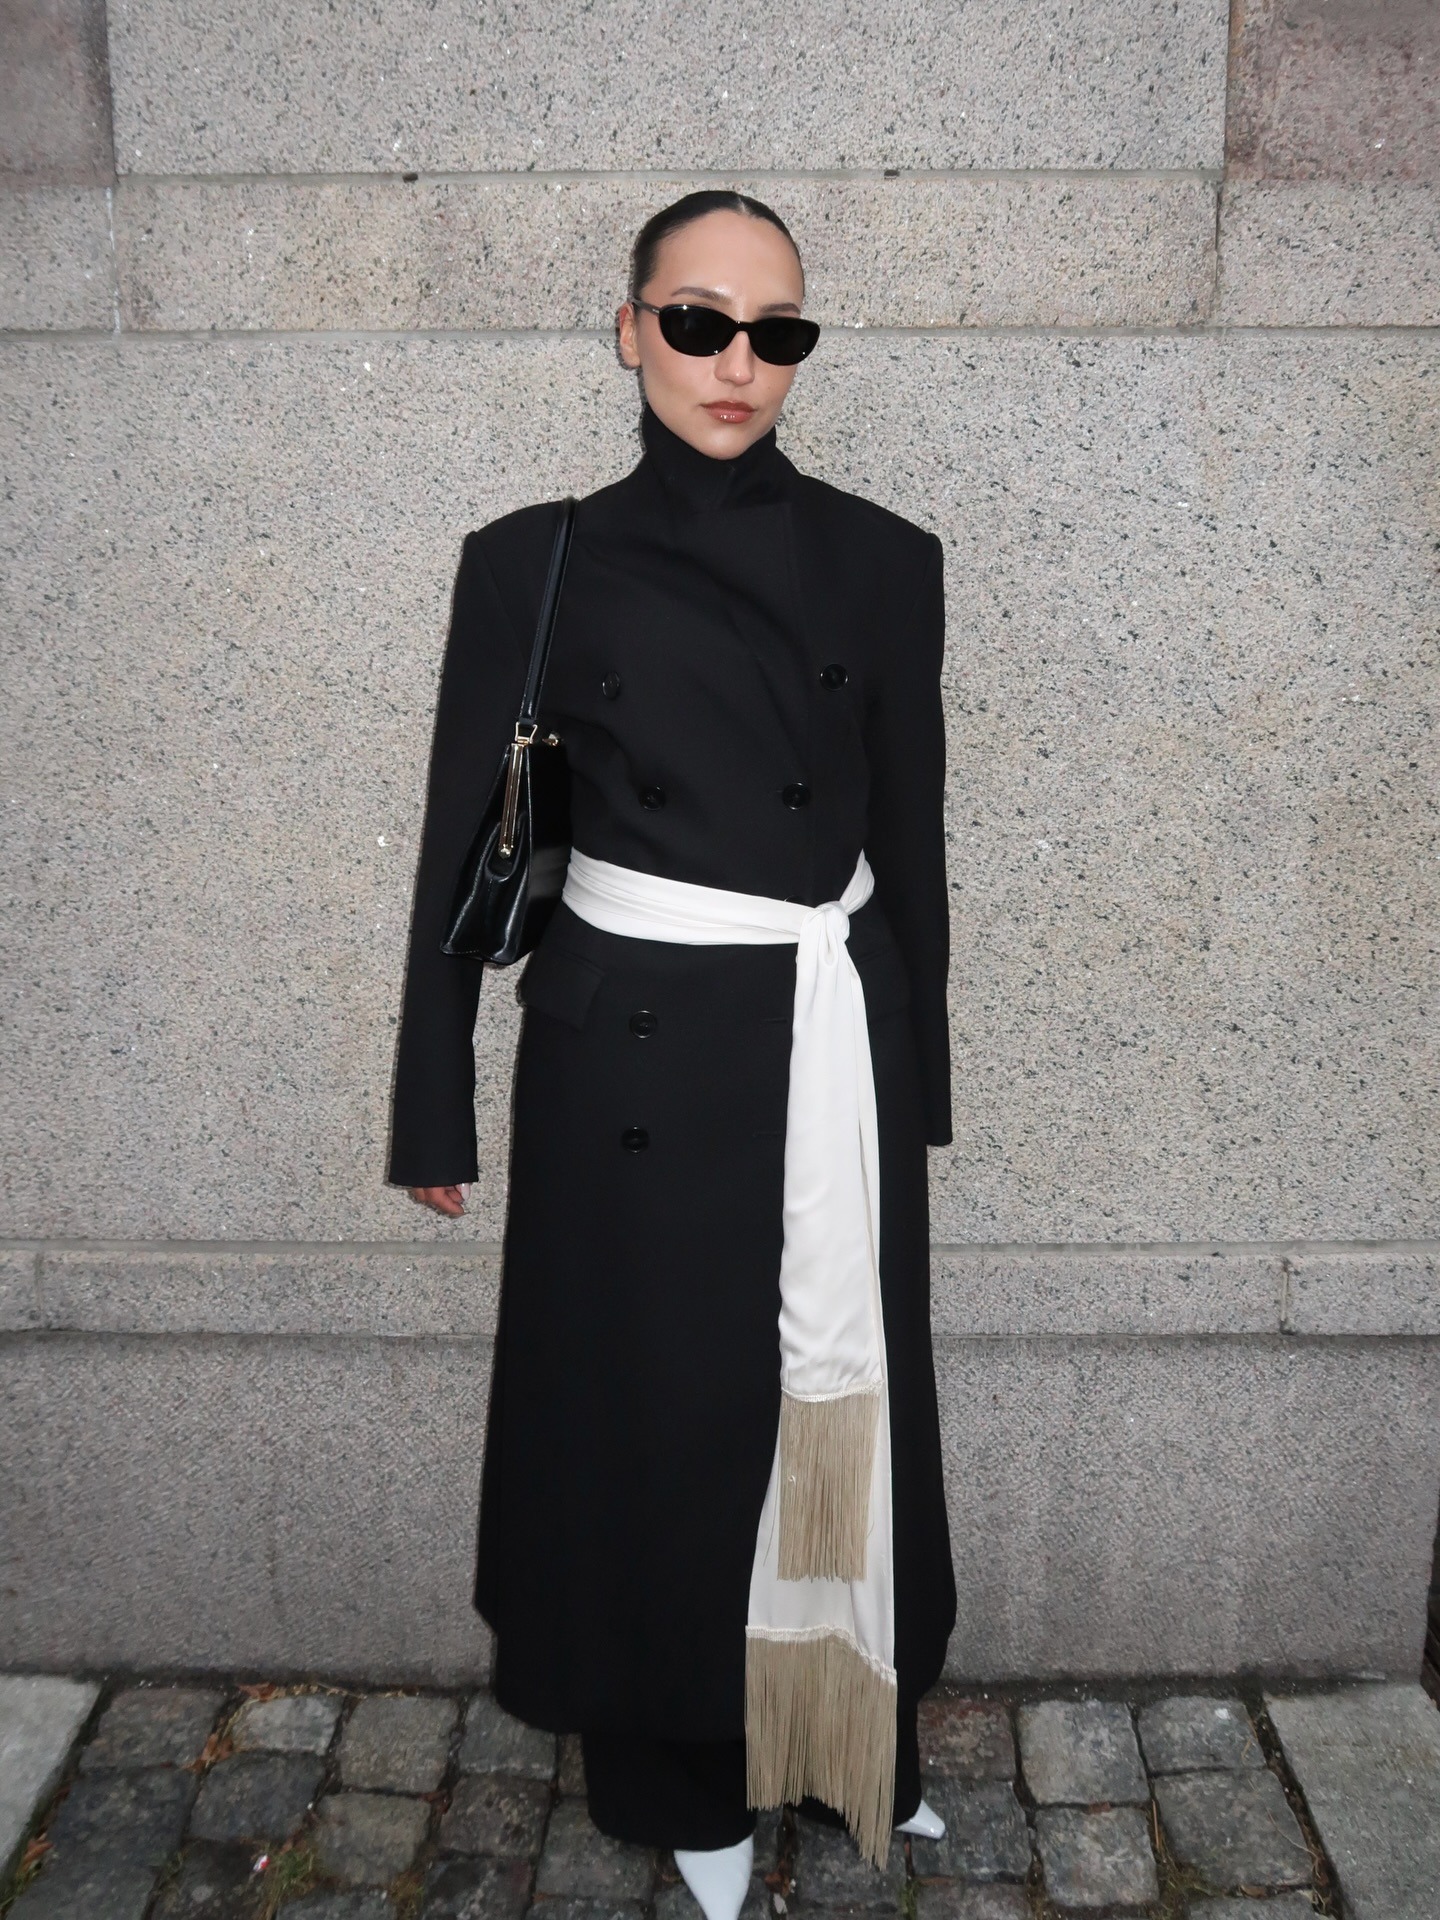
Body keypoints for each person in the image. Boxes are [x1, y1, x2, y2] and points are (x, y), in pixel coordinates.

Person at [388, 190, 956, 1920]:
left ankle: (845, 1735)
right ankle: (677, 1772)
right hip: (631, 1063)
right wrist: (431, 1090)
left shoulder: (888, 557)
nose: (736, 363)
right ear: (627, 328)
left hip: (823, 1037)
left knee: (835, 1405)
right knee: (658, 1430)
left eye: (776, 332)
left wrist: (915, 1071)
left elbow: (913, 838)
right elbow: (454, 843)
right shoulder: (530, 558)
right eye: (697, 321)